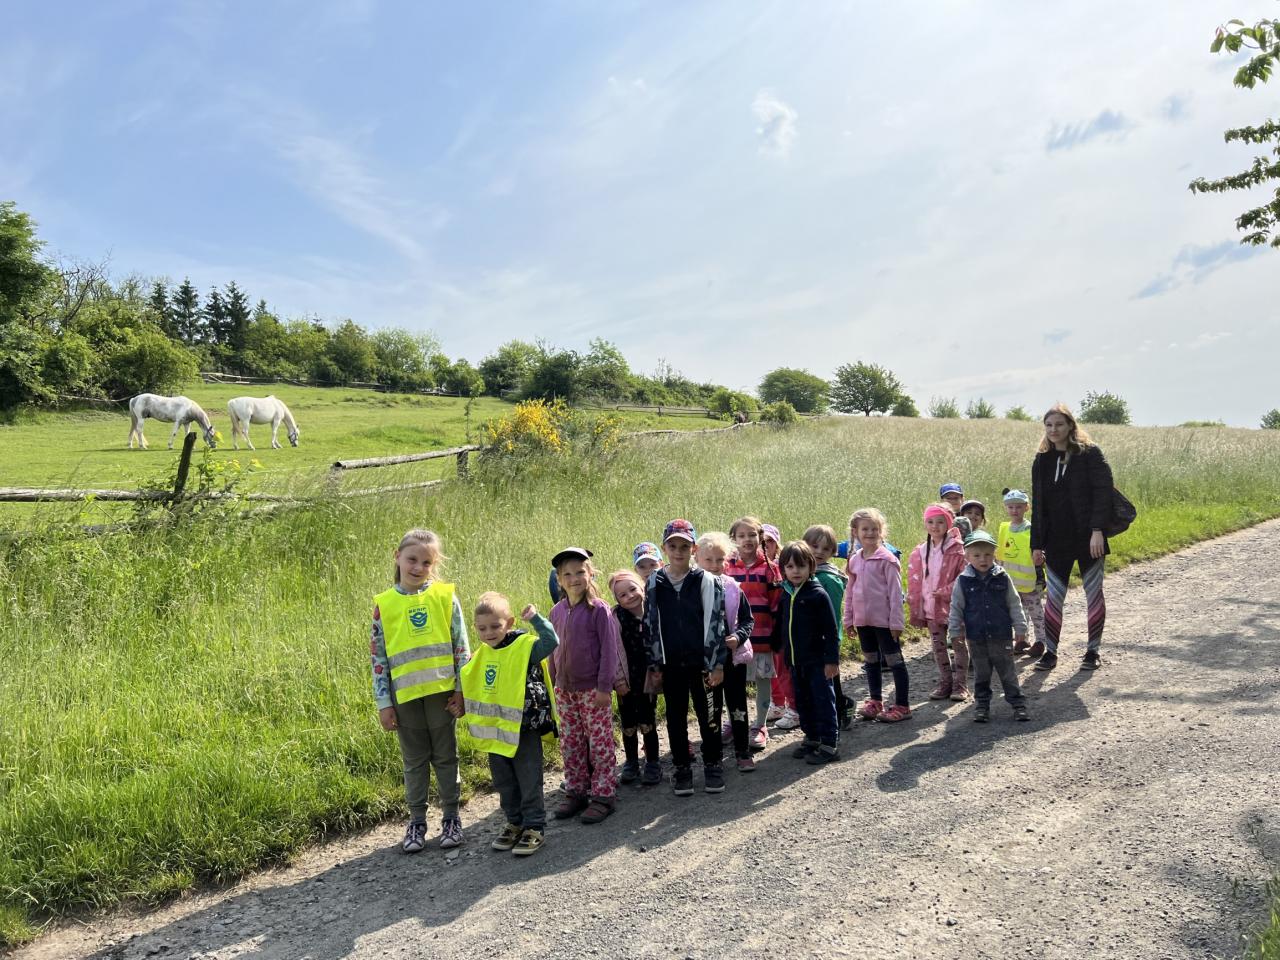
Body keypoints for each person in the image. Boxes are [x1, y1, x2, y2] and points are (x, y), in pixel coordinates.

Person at [370, 529, 471, 853]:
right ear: (397, 557)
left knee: (446, 757)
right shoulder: (384, 605)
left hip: (443, 696)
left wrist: (462, 690)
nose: (418, 567)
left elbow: (461, 646)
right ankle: (416, 822)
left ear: (434, 564)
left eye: (426, 562)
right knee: (414, 762)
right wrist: (384, 702)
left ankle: (451, 817)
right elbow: (378, 658)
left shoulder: (445, 597)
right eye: (412, 559)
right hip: (405, 700)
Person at [461, 594, 559, 856]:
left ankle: (534, 827)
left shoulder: (523, 647)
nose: (489, 633)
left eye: (495, 626)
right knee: (504, 782)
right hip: (497, 732)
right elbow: (469, 680)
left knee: (529, 780)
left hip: (524, 730)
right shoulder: (482, 654)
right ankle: (515, 823)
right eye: (482, 628)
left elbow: (551, 641)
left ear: (510, 622)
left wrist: (536, 619)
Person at [644, 519, 729, 796]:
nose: (678, 551)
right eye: (673, 546)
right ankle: (682, 768)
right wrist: (655, 663)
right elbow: (650, 623)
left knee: (709, 715)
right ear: (664, 548)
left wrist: (716, 663)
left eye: (684, 546)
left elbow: (716, 623)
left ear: (694, 549)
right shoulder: (654, 582)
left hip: (702, 664)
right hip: (671, 665)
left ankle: (713, 763)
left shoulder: (707, 581)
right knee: (675, 718)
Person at [1030, 403, 1114, 671]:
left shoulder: (1090, 454)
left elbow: (1103, 493)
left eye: (1059, 424)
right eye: (1049, 425)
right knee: (1054, 597)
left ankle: (1092, 651)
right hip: (1057, 540)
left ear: (1070, 426)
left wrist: (1098, 530)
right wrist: (1036, 544)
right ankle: (1050, 652)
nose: (1053, 430)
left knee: (1093, 594)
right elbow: (1039, 504)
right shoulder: (1042, 460)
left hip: (1089, 538)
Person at [548, 547, 624, 824]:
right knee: (571, 742)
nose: (574, 579)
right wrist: (554, 681)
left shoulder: (599, 610)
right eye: (567, 574)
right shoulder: (556, 612)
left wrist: (605, 687)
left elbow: (610, 651)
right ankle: (576, 790)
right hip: (565, 691)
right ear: (559, 580)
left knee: (600, 743)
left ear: (591, 574)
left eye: (580, 572)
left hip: (593, 689)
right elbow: (553, 650)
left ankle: (604, 794)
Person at [947, 531, 1030, 723]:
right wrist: (955, 632)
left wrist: (1020, 628)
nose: (983, 559)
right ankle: (982, 706)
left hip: (1001, 635)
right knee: (981, 674)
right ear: (967, 557)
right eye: (976, 555)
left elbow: (1014, 603)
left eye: (987, 554)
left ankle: (1018, 705)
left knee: (1008, 673)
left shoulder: (1002, 577)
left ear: (994, 555)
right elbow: (956, 607)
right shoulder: (963, 581)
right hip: (976, 637)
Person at [774, 541, 841, 764]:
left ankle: (829, 744)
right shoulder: (786, 593)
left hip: (818, 661)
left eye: (801, 566)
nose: (796, 571)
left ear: (811, 567)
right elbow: (782, 621)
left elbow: (831, 630)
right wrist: (777, 644)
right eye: (790, 566)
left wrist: (831, 660)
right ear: (783, 569)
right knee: (803, 701)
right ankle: (812, 737)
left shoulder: (817, 595)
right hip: (796, 661)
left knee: (823, 701)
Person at [844, 509, 910, 723]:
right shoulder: (854, 560)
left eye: (875, 529)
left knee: (894, 662)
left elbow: (895, 593)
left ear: (881, 532)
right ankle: (875, 701)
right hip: (863, 622)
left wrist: (896, 622)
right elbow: (850, 591)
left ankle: (902, 705)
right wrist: (849, 619)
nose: (870, 533)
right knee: (871, 661)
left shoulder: (887, 560)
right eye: (865, 529)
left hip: (885, 623)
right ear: (855, 532)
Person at [697, 532, 756, 772]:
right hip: (706, 661)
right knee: (712, 707)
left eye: (720, 560)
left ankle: (742, 750)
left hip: (733, 659)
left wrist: (738, 636)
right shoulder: (693, 590)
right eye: (709, 560)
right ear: (697, 559)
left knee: (737, 705)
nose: (715, 565)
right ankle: (714, 754)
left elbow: (747, 620)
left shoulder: (733, 587)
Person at [725, 516, 785, 750]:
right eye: (741, 535)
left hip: (761, 636)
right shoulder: (727, 566)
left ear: (760, 537)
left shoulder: (770, 568)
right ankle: (734, 721)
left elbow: (777, 603)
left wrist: (777, 633)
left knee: (762, 679)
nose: (747, 540)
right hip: (735, 638)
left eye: (752, 535)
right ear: (733, 539)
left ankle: (760, 725)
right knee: (733, 683)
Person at [907, 504, 969, 701]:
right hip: (931, 607)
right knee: (938, 647)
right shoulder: (921, 550)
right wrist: (914, 599)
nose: (935, 526)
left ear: (948, 524)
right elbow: (916, 578)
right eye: (930, 521)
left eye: (940, 522)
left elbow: (964, 576)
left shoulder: (958, 549)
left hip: (955, 607)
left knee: (959, 644)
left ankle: (961, 684)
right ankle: (945, 682)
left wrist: (945, 591)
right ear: (925, 524)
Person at [608, 570, 663, 786]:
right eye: (622, 595)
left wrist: (660, 669)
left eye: (633, 589)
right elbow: (613, 651)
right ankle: (631, 762)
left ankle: (653, 761)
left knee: (648, 720)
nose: (629, 596)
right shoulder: (616, 618)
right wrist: (618, 680)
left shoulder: (654, 611)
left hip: (648, 677)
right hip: (626, 679)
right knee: (628, 722)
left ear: (642, 587)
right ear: (617, 599)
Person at [803, 524, 854, 728]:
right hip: (808, 638)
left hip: (825, 638)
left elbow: (831, 615)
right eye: (814, 546)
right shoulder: (804, 574)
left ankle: (840, 709)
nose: (819, 552)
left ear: (833, 552)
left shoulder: (829, 579)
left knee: (830, 678)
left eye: (826, 549)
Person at [996, 488, 1048, 656]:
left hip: (1031, 580)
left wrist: (1041, 557)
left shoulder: (1032, 529)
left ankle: (1041, 641)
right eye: (1010, 507)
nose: (1014, 510)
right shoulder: (1004, 528)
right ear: (1005, 507)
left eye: (1018, 507)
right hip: (1011, 581)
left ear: (1026, 507)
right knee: (1017, 612)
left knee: (1036, 612)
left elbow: (1041, 550)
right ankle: (1021, 640)